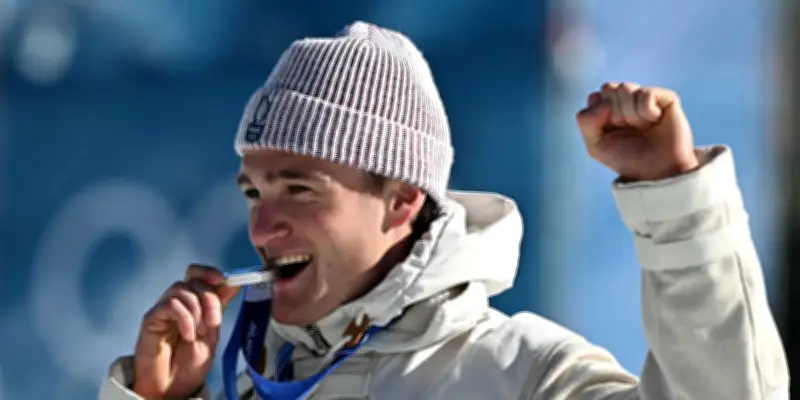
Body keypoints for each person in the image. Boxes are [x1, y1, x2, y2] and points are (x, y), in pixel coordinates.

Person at [100, 21, 789, 399]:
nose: (261, 227)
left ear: (401, 201)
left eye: (299, 188)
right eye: (255, 190)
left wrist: (676, 197)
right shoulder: (243, 379)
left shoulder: (521, 376)